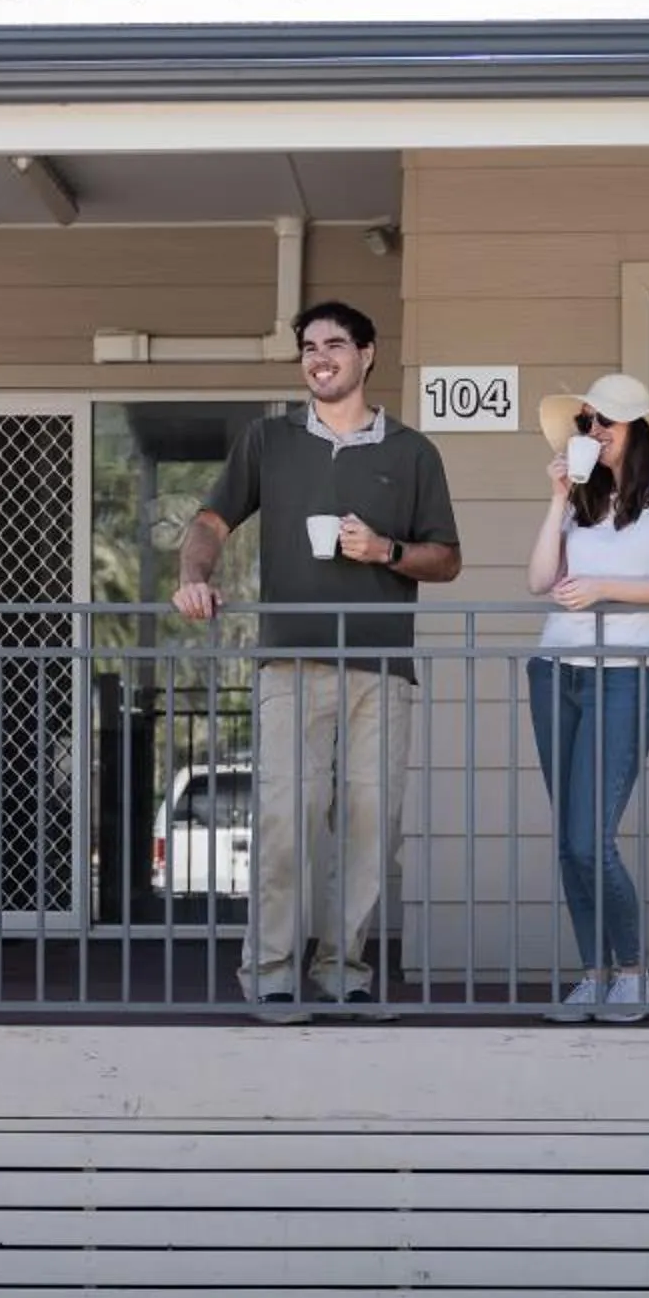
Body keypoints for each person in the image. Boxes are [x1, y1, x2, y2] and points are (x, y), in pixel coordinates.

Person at [173, 300, 461, 1017]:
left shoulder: (413, 452)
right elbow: (210, 521)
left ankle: (343, 970)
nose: (319, 357)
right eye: (308, 347)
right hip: (290, 665)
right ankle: (270, 971)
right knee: (286, 815)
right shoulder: (268, 441)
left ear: (367, 354)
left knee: (372, 822)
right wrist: (193, 575)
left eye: (335, 344)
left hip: (381, 670)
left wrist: (385, 551)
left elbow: (446, 559)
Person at [524, 373, 649, 1021]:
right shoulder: (584, 493)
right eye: (585, 423)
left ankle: (633, 972)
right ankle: (593, 975)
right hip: (555, 669)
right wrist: (556, 499)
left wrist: (605, 587)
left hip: (626, 672)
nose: (593, 433)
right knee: (568, 842)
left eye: (605, 422)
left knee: (589, 839)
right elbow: (540, 579)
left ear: (637, 428)